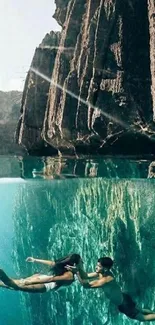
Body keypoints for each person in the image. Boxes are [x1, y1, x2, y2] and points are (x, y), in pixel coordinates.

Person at [66, 256, 155, 322]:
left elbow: (86, 285)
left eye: (99, 266)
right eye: (97, 265)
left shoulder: (106, 279)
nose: (96, 267)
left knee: (142, 318)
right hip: (123, 298)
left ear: (105, 268)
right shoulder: (101, 273)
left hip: (124, 304)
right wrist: (78, 268)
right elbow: (85, 276)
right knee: (140, 310)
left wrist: (77, 272)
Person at [0, 253, 82, 293]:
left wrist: (35, 260)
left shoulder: (66, 268)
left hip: (40, 277)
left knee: (12, 286)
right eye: (81, 261)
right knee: (10, 283)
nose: (82, 262)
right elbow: (51, 279)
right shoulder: (69, 276)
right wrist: (30, 282)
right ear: (74, 264)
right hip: (44, 285)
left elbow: (52, 263)